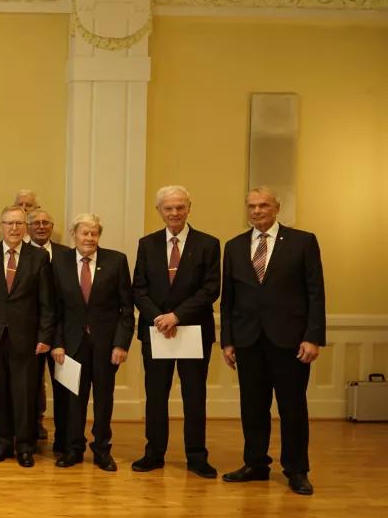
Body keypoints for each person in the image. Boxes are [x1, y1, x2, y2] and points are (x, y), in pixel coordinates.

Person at [220, 187, 325, 496]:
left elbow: (315, 292)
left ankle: (297, 469)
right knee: (252, 406)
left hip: (290, 340)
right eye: (251, 206)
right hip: (248, 340)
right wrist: (227, 340)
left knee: (292, 407)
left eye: (263, 205)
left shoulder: (302, 242)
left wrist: (313, 336)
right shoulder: (235, 246)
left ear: (277, 208)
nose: (257, 211)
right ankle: (255, 463)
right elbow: (229, 300)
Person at [131, 185, 220, 478]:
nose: (174, 213)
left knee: (194, 396)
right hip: (157, 331)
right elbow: (139, 289)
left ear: (189, 208)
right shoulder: (147, 244)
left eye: (180, 207)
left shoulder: (208, 243)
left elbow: (211, 289)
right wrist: (159, 318)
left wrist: (177, 316)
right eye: (168, 208)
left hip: (193, 331)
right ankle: (154, 453)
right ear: (159, 211)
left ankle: (196, 456)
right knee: (156, 395)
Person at [0, 205, 54, 467]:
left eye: (19, 224)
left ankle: (25, 447)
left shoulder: (38, 257)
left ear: (25, 227)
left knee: (25, 394)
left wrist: (45, 336)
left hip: (27, 339)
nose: (14, 228)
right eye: (9, 223)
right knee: (1, 393)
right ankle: (3, 444)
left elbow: (47, 302)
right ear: (1, 226)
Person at [49, 214, 134, 471]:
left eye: (94, 233)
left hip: (106, 346)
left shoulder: (116, 261)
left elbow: (126, 309)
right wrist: (57, 343)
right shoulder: (59, 262)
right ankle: (73, 449)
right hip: (71, 345)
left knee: (103, 399)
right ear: (74, 234)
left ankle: (101, 450)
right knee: (73, 400)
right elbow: (53, 308)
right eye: (84, 232)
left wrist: (121, 344)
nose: (89, 238)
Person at [27, 208, 70, 447]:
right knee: (31, 385)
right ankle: (31, 429)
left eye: (46, 222)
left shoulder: (66, 254)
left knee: (62, 385)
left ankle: (63, 437)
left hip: (63, 331)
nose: (41, 226)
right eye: (36, 223)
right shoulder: (21, 254)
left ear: (52, 226)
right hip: (33, 332)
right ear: (28, 226)